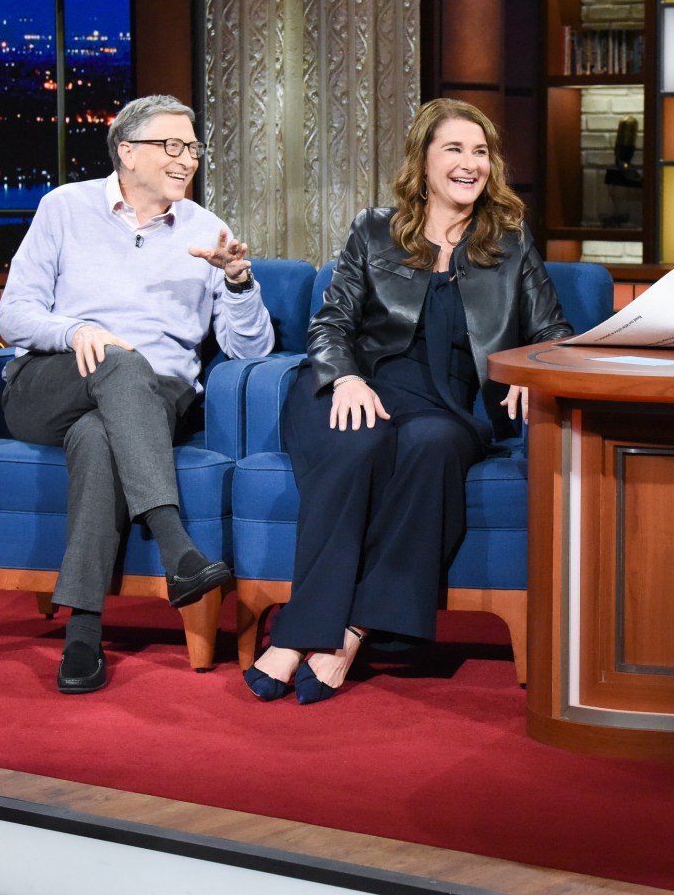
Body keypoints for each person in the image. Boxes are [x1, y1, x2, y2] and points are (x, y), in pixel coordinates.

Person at [244, 98, 572, 705]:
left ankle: (348, 630)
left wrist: (535, 369)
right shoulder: (375, 229)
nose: (469, 163)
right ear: (423, 160)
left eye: (480, 152)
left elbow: (554, 333)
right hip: (356, 388)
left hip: (446, 407)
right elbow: (330, 324)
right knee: (359, 441)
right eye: (454, 149)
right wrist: (344, 378)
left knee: (433, 444)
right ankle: (301, 636)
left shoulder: (509, 241)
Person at [0, 94, 275, 694]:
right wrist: (77, 331)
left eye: (193, 148)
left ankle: (82, 634)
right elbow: (13, 315)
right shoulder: (65, 208)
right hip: (51, 381)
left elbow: (250, 351)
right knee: (119, 363)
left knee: (100, 434)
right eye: (171, 146)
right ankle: (177, 546)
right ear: (127, 152)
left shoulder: (207, 231)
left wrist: (238, 281)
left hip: (154, 396)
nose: (187, 160)